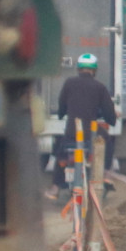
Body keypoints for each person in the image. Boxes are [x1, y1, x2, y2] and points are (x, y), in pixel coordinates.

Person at [48, 53, 118, 198]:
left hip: (71, 132)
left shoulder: (69, 83)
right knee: (108, 141)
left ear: (78, 69)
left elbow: (62, 107)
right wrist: (111, 118)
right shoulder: (100, 87)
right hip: (90, 133)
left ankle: (55, 187)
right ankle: (105, 173)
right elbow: (110, 117)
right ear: (94, 70)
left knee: (61, 152)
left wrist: (61, 114)